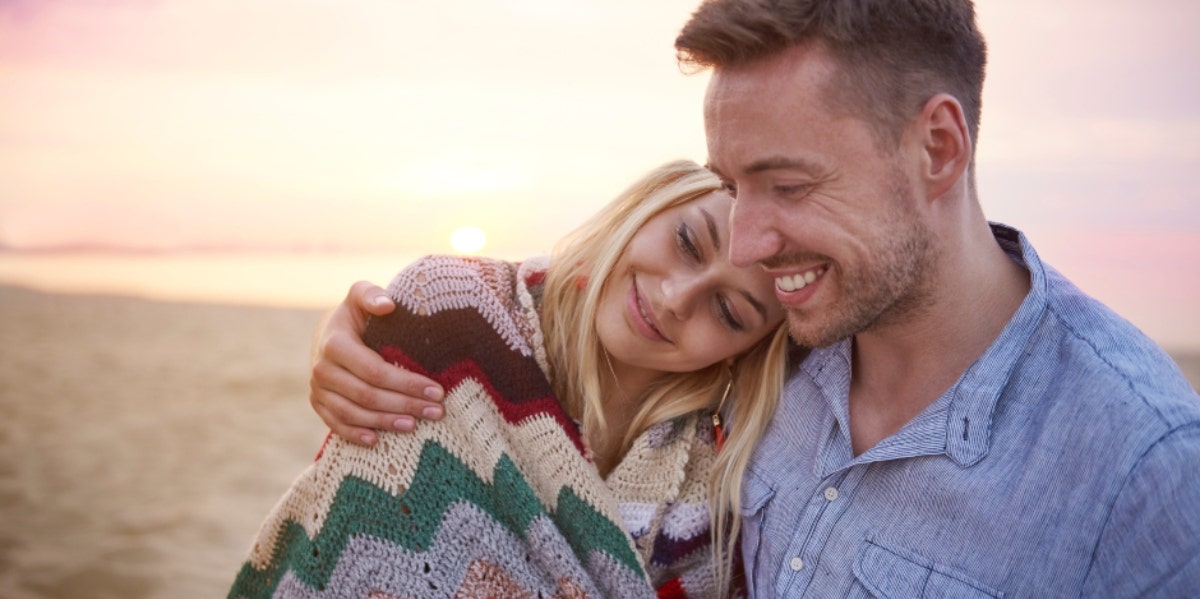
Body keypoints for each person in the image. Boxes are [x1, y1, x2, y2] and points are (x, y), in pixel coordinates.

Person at [310, 1, 1200, 596]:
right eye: (730, 185)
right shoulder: (787, 339)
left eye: (786, 185)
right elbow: (569, 305)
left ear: (937, 147)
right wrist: (396, 317)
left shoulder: (1140, 466)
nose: (746, 243)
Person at [229, 160, 793, 598]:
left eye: (729, 313)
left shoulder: (718, 490)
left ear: (748, 350)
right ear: (650, 202)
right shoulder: (449, 314)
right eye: (687, 243)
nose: (675, 299)